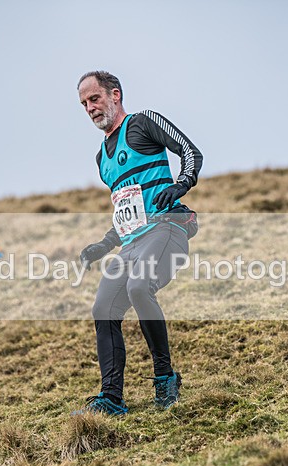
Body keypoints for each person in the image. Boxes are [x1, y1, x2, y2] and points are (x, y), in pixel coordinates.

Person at [73, 71, 203, 416]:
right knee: (103, 308)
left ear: (115, 94)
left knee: (139, 287)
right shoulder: (102, 160)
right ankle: (112, 398)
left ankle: (165, 377)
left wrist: (182, 184)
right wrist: (103, 245)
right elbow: (127, 213)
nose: (90, 108)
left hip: (166, 231)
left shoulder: (144, 123)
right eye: (84, 104)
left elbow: (190, 151)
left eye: (95, 98)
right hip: (132, 243)